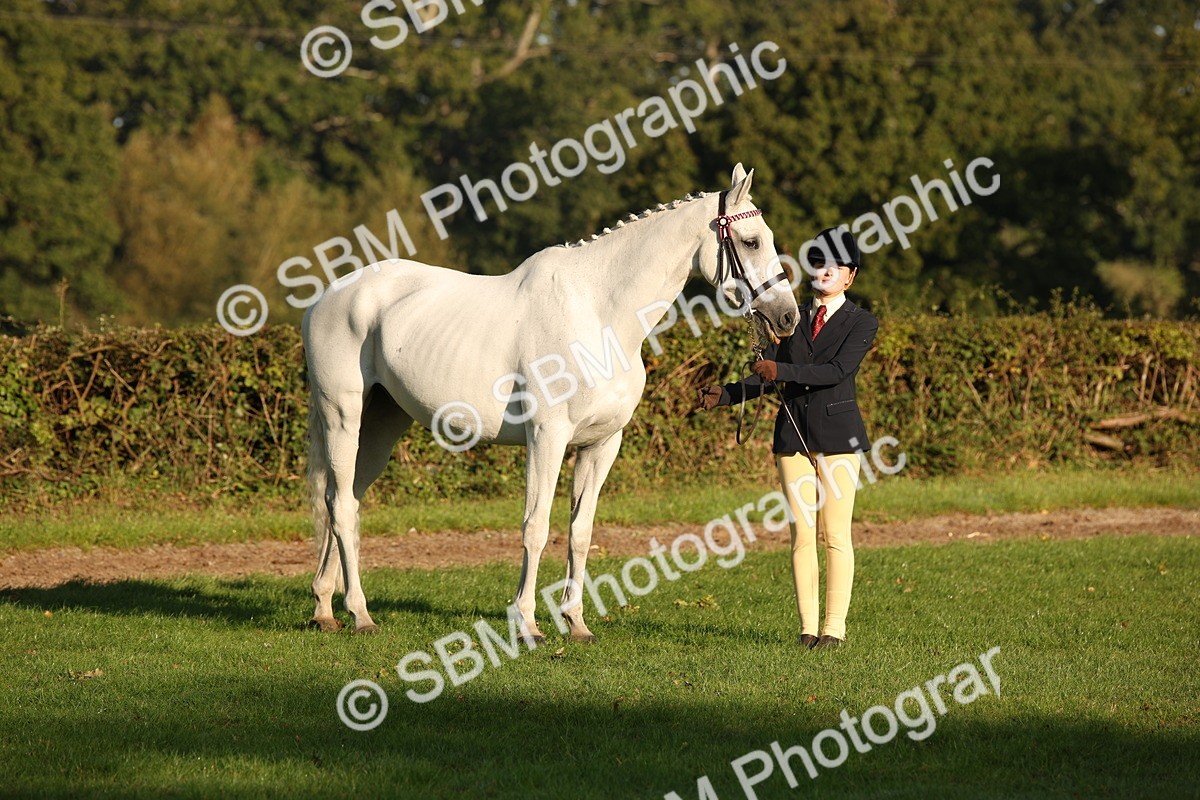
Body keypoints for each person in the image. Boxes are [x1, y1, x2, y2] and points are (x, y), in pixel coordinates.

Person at [697, 227, 878, 650]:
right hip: (792, 437)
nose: (823, 271)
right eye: (817, 263)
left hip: (838, 439)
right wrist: (726, 394)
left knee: (835, 535)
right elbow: (767, 378)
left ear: (849, 275)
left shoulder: (861, 321)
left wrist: (782, 372)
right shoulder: (790, 317)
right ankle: (807, 629)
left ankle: (834, 629)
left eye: (833, 265)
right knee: (801, 535)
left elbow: (836, 372)